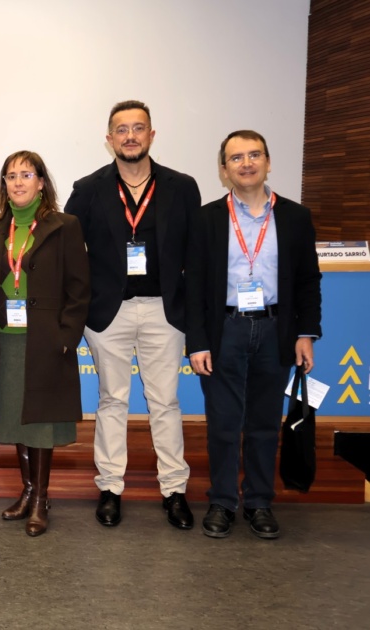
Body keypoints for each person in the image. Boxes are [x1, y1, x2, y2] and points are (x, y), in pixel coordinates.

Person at [64, 100, 198, 529]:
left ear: (151, 135)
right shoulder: (88, 189)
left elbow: (196, 255)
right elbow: (69, 251)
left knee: (166, 402)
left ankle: (174, 490)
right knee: (112, 400)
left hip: (164, 311)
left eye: (138, 128)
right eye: (121, 130)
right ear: (109, 140)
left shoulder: (182, 187)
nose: (130, 136)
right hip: (109, 312)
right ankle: (110, 488)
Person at [187, 130, 322, 540]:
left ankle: (259, 502)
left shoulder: (295, 217)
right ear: (223, 169)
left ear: (267, 162)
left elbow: (308, 281)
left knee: (264, 422)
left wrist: (305, 333)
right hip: (224, 329)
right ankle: (223, 502)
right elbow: (193, 286)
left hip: (275, 328)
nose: (246, 163)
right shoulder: (207, 218)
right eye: (236, 157)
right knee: (223, 423)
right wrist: (198, 341)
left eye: (254, 155)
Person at [0, 151, 90, 536]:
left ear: (41, 182)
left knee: (40, 423)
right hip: (4, 340)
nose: (18, 182)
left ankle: (40, 499)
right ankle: (26, 492)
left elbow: (79, 287)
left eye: (26, 174)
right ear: (4, 185)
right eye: (11, 176)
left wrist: (66, 336)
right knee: (13, 419)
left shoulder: (64, 225)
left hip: (45, 340)